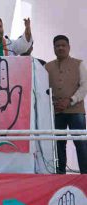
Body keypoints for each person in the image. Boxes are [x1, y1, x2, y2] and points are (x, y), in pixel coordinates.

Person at [45, 35, 87, 174]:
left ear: (69, 47)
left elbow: (84, 86)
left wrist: (70, 100)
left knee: (81, 143)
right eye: (57, 46)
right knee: (58, 145)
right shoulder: (47, 67)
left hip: (76, 111)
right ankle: (60, 176)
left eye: (63, 45)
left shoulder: (79, 64)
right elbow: (42, 89)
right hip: (56, 111)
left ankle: (85, 175)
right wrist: (53, 103)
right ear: (54, 48)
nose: (60, 48)